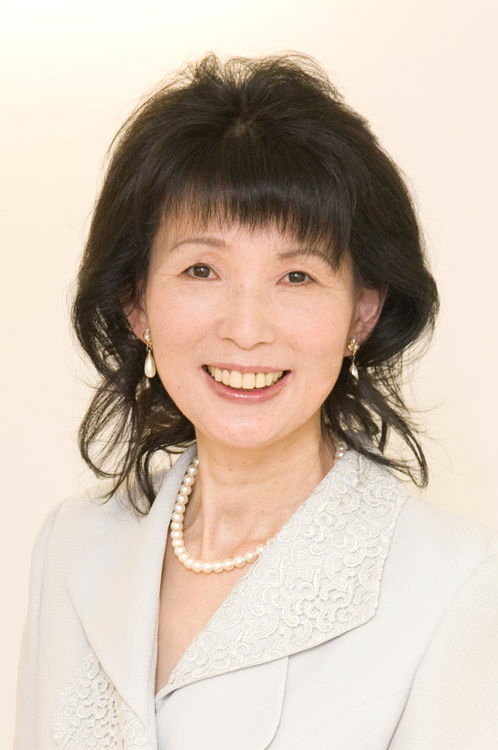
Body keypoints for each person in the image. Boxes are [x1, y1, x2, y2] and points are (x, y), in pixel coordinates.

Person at [14, 52, 498, 750]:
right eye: (201, 269)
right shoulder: (73, 544)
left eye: (296, 276)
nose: (246, 329)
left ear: (361, 313)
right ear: (136, 301)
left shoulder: (456, 586)